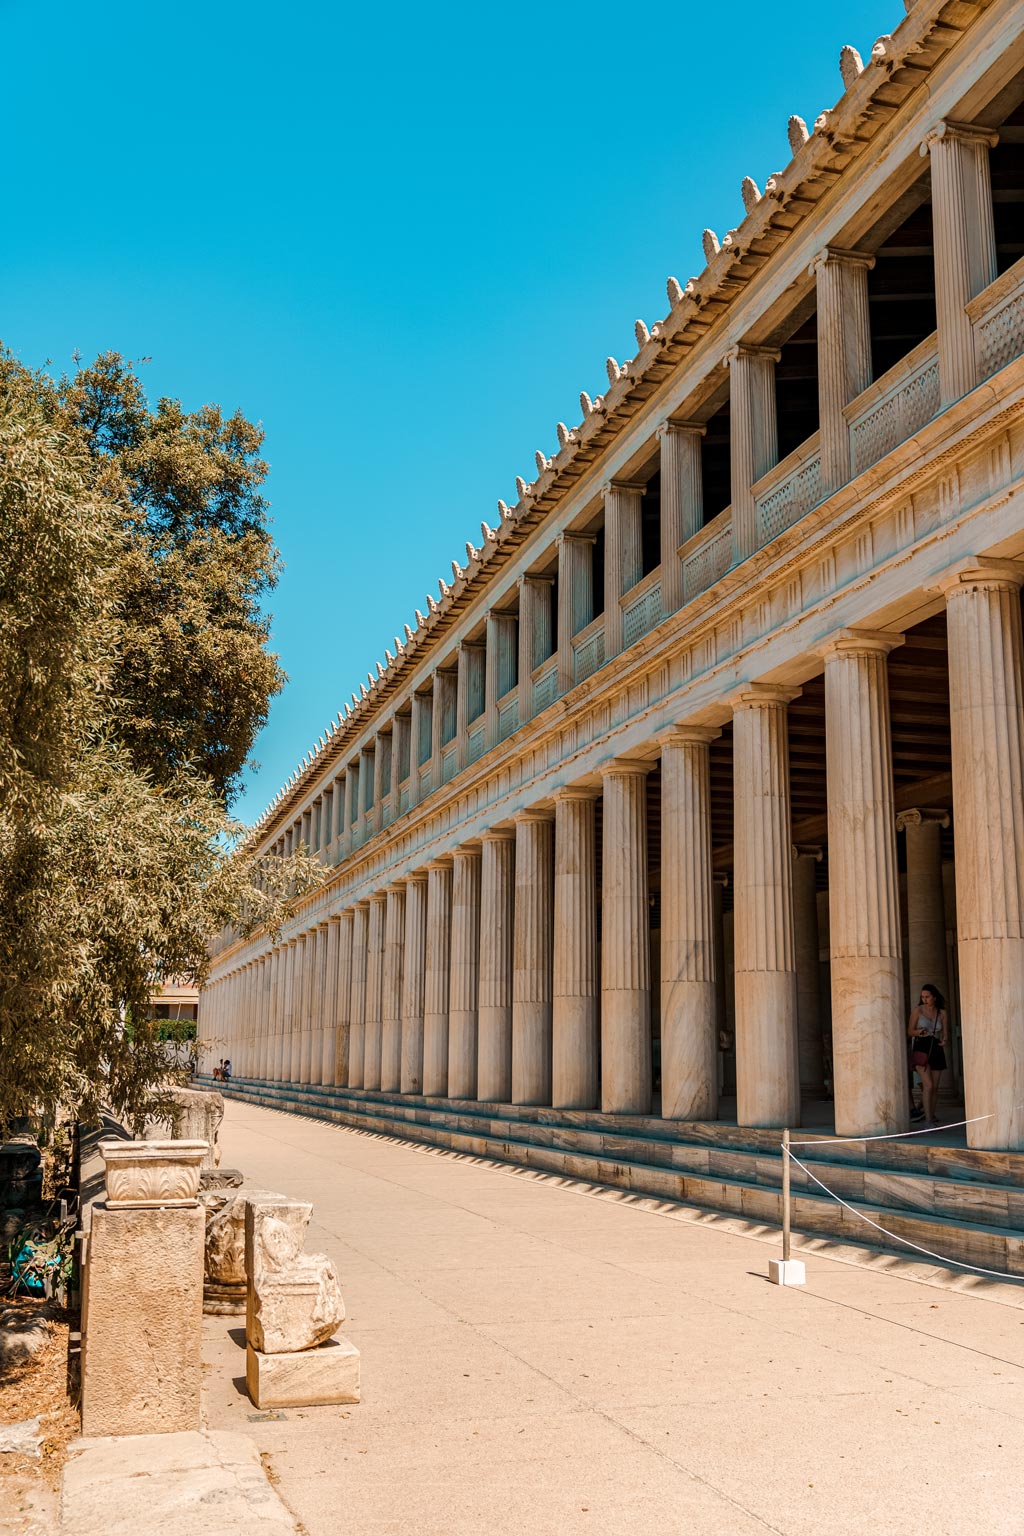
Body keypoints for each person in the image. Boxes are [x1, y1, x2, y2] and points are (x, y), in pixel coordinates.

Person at [907, 984, 948, 1128]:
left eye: (927, 996)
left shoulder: (941, 1013)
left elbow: (945, 1034)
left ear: (934, 997)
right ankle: (928, 1120)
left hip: (935, 1047)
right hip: (921, 1046)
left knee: (935, 1087)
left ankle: (931, 1114)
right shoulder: (917, 1011)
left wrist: (944, 1040)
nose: (924, 999)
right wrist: (919, 1032)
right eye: (922, 997)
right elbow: (910, 1031)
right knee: (928, 1085)